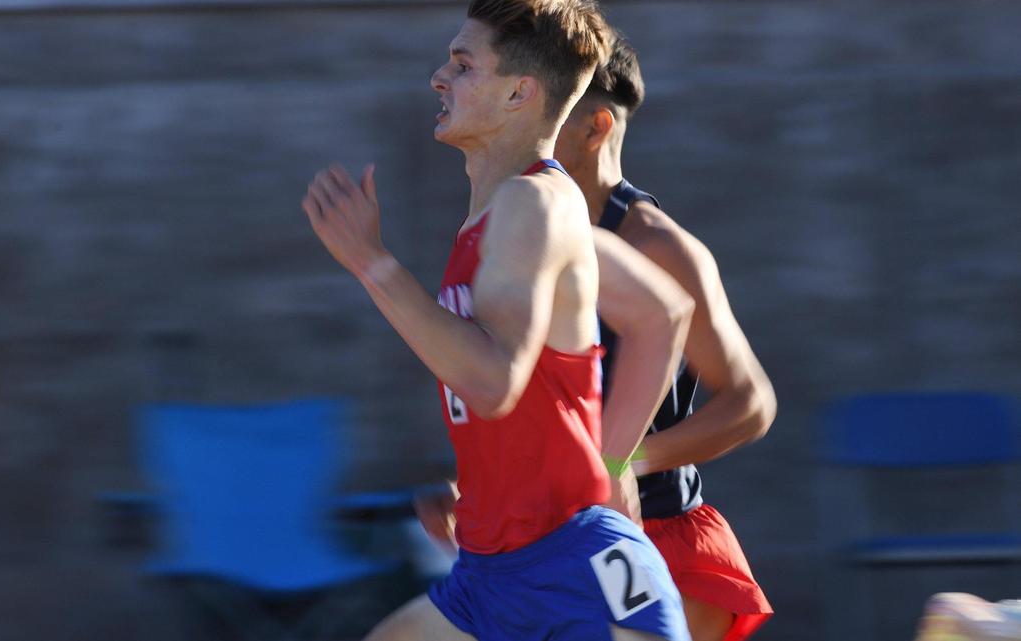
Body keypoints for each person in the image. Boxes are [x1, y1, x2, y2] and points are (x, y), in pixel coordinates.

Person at [302, 2, 694, 639]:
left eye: (462, 65)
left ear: (519, 92)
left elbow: (493, 381)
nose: (438, 77)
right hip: (492, 569)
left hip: (573, 570)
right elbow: (659, 314)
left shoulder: (529, 203)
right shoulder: (527, 206)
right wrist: (607, 464)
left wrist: (373, 265)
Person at [552, 35, 778, 641]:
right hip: (553, 538)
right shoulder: (526, 232)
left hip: (657, 542)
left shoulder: (659, 247)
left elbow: (750, 403)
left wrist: (624, 461)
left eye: (547, 111)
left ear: (595, 126)